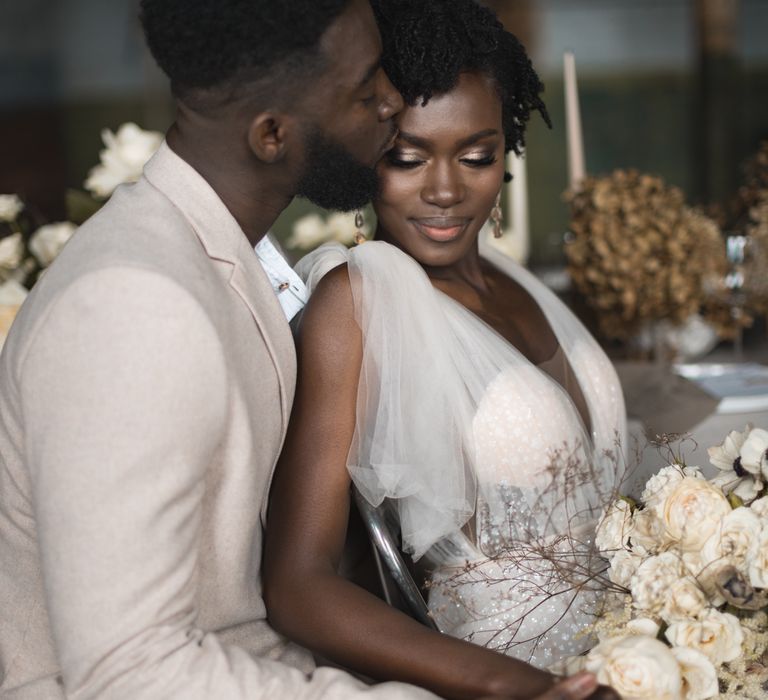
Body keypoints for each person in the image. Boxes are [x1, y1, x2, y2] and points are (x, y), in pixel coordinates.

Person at [0, 1, 440, 698]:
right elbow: (128, 673)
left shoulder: (213, 247)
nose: (392, 100)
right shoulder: (129, 304)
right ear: (271, 133)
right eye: (365, 88)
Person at [264, 1, 626, 699]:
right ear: (366, 155)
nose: (445, 190)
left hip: (631, 657)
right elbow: (298, 585)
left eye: (477, 155)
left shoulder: (521, 283)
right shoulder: (358, 300)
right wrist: (511, 687)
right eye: (406, 158)